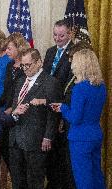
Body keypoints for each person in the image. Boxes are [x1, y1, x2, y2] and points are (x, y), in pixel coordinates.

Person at [50, 49, 107, 189]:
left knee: (83, 179)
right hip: (95, 134)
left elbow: (75, 118)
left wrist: (63, 108)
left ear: (80, 65)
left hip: (80, 138)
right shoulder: (101, 87)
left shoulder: (79, 88)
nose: (72, 66)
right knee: (96, 175)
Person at [9, 48, 61, 189]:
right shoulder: (20, 81)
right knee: (17, 181)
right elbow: (15, 106)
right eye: (23, 65)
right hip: (15, 139)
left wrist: (48, 137)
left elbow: (54, 113)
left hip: (36, 140)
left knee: (34, 181)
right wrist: (15, 113)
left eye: (28, 65)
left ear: (39, 62)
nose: (25, 69)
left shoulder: (50, 82)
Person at [43, 19, 74, 189]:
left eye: (61, 35)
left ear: (70, 33)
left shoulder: (74, 54)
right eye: (55, 34)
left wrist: (62, 114)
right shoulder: (49, 52)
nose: (57, 38)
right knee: (50, 156)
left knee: (63, 155)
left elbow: (70, 88)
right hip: (48, 108)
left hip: (63, 109)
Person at [0, 32, 30, 167]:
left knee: (18, 154)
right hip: (8, 112)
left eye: (9, 48)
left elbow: (27, 93)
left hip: (22, 114)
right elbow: (6, 91)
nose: (6, 52)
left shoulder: (26, 67)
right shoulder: (9, 66)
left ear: (19, 47)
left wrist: (12, 108)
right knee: (3, 146)